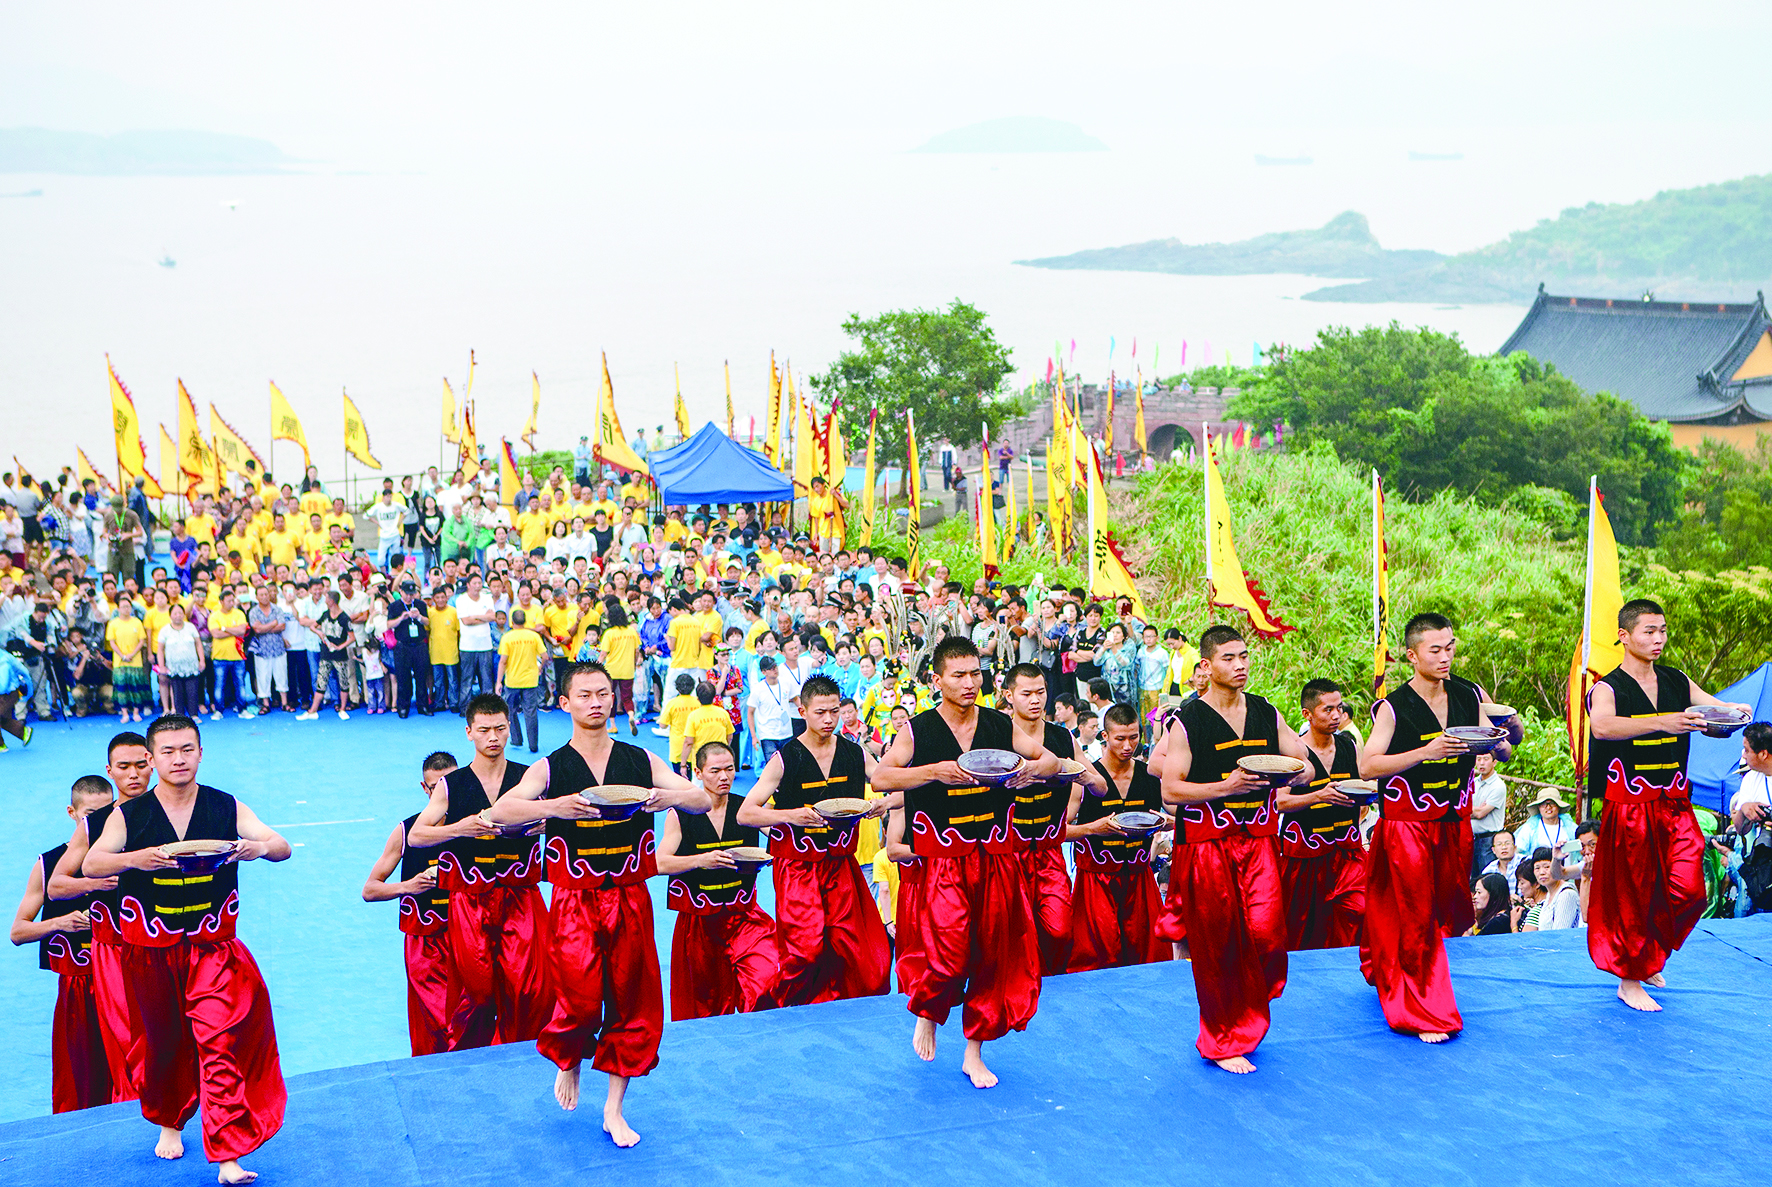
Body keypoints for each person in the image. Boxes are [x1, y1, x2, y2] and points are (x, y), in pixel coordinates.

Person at [485, 662, 714, 1148]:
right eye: (584, 695)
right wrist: (553, 806)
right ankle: (569, 1056)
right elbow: (501, 812)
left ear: (614, 699)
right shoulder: (551, 766)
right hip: (573, 901)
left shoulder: (640, 759)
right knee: (581, 999)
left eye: (603, 694)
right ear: (564, 703)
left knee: (633, 1002)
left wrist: (662, 798)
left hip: (630, 896)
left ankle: (614, 1108)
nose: (596, 702)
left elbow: (699, 800)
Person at [84, 714, 291, 1183]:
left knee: (221, 1045)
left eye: (187, 749)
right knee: (163, 1045)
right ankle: (169, 1120)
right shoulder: (127, 815)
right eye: (169, 752)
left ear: (200, 753)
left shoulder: (225, 806)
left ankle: (228, 1155)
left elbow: (281, 845)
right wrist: (136, 858)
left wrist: (258, 849)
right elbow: (93, 863)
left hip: (213, 950)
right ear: (152, 759)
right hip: (151, 954)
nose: (179, 759)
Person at [871, 635, 1055, 1090]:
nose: (971, 682)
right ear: (937, 680)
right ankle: (929, 1011)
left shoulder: (998, 723)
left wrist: (1027, 774)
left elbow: (1050, 760)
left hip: (995, 857)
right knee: (948, 952)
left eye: (976, 672)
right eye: (959, 675)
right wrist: (934, 771)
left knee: (994, 955)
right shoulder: (919, 729)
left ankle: (974, 1052)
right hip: (942, 863)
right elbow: (880, 776)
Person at [1153, 625, 1307, 1073]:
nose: (1239, 666)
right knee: (1218, 945)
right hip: (1207, 845)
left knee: (1266, 934)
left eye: (1244, 657)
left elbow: (1301, 766)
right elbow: (1169, 792)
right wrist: (1228, 786)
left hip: (1259, 840)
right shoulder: (1189, 720)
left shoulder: (1265, 712)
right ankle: (1221, 1038)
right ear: (1207, 666)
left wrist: (1288, 775)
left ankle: (1248, 1014)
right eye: (1228, 659)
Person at [1586, 598, 1747, 1011]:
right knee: (1634, 893)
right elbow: (1602, 727)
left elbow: (1711, 711)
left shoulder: (1675, 679)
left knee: (1691, 888)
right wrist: (1667, 721)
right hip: (1632, 806)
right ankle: (1630, 976)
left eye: (1662, 631)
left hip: (1675, 804)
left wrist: (1734, 712)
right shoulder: (1607, 687)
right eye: (1648, 631)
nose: (1658, 639)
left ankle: (1649, 950)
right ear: (1624, 636)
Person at [1361, 612, 1501, 1043]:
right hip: (1406, 827)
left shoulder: (1467, 694)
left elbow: (1498, 747)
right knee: (1418, 916)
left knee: (1447, 912)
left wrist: (1503, 735)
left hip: (1453, 824)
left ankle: (1390, 963)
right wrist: (1427, 751)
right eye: (1435, 649)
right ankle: (1422, 1007)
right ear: (1412, 654)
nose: (1445, 657)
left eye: (1450, 647)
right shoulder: (1392, 707)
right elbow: (1368, 766)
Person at [737, 675, 892, 1006]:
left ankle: (840, 1005)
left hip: (840, 863)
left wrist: (883, 803)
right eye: (821, 712)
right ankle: (774, 1006)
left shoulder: (855, 753)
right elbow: (747, 813)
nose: (829, 720)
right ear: (802, 710)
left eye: (834, 711)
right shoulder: (785, 758)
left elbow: (893, 788)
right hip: (797, 865)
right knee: (803, 949)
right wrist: (790, 815)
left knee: (862, 949)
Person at [409, 694, 552, 1050]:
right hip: (469, 902)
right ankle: (469, 1062)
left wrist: (544, 825)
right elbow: (417, 835)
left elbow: (561, 817)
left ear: (508, 730)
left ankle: (525, 1054)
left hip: (520, 896)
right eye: (485, 730)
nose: (494, 737)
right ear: (469, 732)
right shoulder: (451, 785)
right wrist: (461, 828)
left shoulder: (528, 777)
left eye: (500, 729)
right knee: (475, 993)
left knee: (529, 986)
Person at [46, 732, 155, 1105]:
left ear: (152, 763)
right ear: (111, 772)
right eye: (124, 767)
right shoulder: (94, 825)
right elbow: (57, 886)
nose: (134, 774)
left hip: (171, 941)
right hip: (115, 950)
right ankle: (134, 1113)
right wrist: (96, 881)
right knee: (129, 1041)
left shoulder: (174, 814)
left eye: (141, 765)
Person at [11, 776, 118, 1112]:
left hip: (123, 980)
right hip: (78, 987)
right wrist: (58, 923)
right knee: (80, 1077)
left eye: (107, 812)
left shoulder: (128, 856)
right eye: (90, 815)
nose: (98, 822)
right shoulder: (48, 865)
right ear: (72, 813)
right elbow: (18, 932)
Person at [657, 740, 781, 1019]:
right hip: (699, 922)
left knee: (767, 979)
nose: (724, 777)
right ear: (698, 774)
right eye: (715, 771)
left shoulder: (746, 809)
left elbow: (782, 839)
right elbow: (658, 863)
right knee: (703, 1005)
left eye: (730, 769)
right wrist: (700, 861)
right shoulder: (681, 814)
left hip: (744, 917)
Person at [1001, 662, 1102, 976]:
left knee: (1059, 929)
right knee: (1012, 935)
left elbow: (1100, 786)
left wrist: (1077, 774)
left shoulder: (1061, 737)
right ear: (1008, 696)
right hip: (1007, 851)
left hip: (1049, 850)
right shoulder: (996, 735)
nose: (1035, 700)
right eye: (1026, 693)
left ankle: (1053, 990)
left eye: (1041, 692)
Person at [362, 752, 459, 1056]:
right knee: (437, 1025)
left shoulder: (471, 824)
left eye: (449, 784)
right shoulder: (405, 831)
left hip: (467, 937)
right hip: (425, 944)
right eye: (434, 787)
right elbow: (369, 889)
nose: (441, 793)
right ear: (424, 788)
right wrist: (408, 887)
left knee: (477, 1019)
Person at [1068, 703, 1171, 971]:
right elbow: (1058, 832)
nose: (1128, 746)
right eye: (1120, 739)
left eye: (1134, 737)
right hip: (1096, 881)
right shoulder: (1087, 779)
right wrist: (1092, 829)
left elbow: (1177, 817)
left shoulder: (1150, 777)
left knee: (1148, 959)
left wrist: (1169, 823)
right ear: (1105, 736)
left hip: (1140, 879)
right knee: (1096, 960)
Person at [1276, 678, 1365, 951]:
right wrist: (1318, 796)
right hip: (1303, 856)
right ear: (1307, 714)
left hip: (1347, 852)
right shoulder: (1292, 752)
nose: (1336, 715)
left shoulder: (1349, 747)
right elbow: (1279, 802)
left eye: (1339, 708)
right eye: (1328, 709)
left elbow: (1365, 786)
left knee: (1359, 912)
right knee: (1302, 930)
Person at [497, 607, 547, 753]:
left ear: (512, 622)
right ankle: (533, 744)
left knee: (510, 711)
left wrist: (498, 681)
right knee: (530, 712)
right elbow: (544, 656)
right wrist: (540, 668)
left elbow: (503, 661)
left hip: (512, 680)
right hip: (530, 680)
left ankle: (517, 739)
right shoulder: (533, 636)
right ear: (525, 621)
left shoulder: (507, 637)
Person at [1522, 846, 1580, 930]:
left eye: (1547, 867)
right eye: (1537, 868)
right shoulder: (1549, 896)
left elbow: (1560, 934)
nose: (1541, 872)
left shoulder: (1567, 894)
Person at [1469, 750, 1507, 878]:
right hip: (1472, 838)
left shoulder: (1498, 786)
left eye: (1485, 759)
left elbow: (1480, 813)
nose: (1481, 763)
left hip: (1489, 840)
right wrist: (1473, 809)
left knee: (1488, 879)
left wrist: (1470, 810)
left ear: (1494, 762)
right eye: (1478, 759)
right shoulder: (1473, 782)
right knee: (1472, 880)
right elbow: (1465, 806)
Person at [1513, 791, 1575, 862]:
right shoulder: (1530, 828)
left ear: (1558, 806)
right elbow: (1519, 853)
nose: (1548, 807)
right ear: (1539, 807)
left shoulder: (1571, 827)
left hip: (1567, 871)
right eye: (1544, 804)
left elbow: (1579, 851)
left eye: (1552, 803)